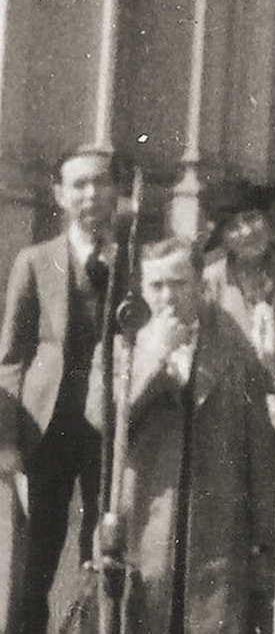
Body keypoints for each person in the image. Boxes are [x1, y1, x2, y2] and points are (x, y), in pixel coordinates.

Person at [86, 237, 275, 633]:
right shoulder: (124, 345)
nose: (167, 297)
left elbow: (260, 444)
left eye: (178, 283)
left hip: (217, 532)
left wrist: (264, 536)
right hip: (145, 527)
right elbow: (101, 419)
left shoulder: (232, 342)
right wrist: (153, 356)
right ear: (143, 289)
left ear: (199, 283)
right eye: (156, 286)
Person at [0, 146, 121, 633]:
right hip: (45, 424)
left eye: (99, 183)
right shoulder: (35, 260)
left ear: (115, 191)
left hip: (109, 424)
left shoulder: (132, 256)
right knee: (35, 554)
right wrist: (6, 441)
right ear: (60, 195)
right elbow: (11, 356)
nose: (90, 194)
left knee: (104, 546)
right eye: (78, 185)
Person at [203, 180, 275, 425]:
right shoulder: (212, 282)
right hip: (234, 412)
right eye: (233, 226)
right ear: (222, 237)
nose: (246, 231)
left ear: (266, 220)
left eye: (251, 217)